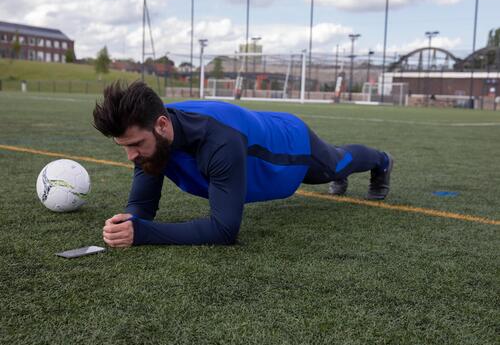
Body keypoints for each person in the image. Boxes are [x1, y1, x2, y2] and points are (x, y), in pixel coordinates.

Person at [93, 81, 393, 248]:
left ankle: (382, 161)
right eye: (125, 146)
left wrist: (144, 234)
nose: (131, 156)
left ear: (162, 126)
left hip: (288, 147)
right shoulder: (150, 134)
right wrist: (130, 221)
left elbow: (224, 231)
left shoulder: (219, 143)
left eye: (134, 145)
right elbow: (142, 204)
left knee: (336, 165)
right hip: (254, 132)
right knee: (334, 168)